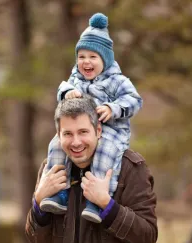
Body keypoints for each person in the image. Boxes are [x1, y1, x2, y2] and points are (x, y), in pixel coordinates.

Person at [40, 12, 143, 223]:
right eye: (81, 57)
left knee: (105, 150)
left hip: (112, 132)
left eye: (92, 57)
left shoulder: (117, 80)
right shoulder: (76, 77)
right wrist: (67, 93)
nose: (86, 62)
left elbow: (134, 100)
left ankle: (97, 201)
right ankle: (59, 192)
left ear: (105, 59)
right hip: (84, 129)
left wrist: (113, 108)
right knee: (56, 144)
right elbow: (63, 87)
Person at [25, 95, 157, 243]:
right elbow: (39, 242)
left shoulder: (130, 167)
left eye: (83, 132)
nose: (76, 142)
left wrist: (107, 205)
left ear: (98, 131)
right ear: (58, 135)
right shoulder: (51, 170)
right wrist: (38, 201)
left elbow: (148, 237)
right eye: (68, 134)